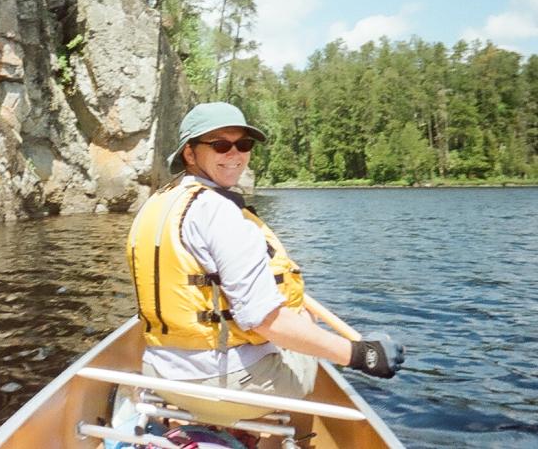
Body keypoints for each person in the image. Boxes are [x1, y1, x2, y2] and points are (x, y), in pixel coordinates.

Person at [127, 102, 405, 424]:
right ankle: (262, 435)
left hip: (159, 373)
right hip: (220, 388)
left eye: (243, 144)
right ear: (189, 154)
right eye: (220, 145)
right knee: (303, 338)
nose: (236, 155)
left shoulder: (158, 203)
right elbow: (265, 321)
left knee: (294, 323)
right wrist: (362, 355)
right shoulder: (218, 212)